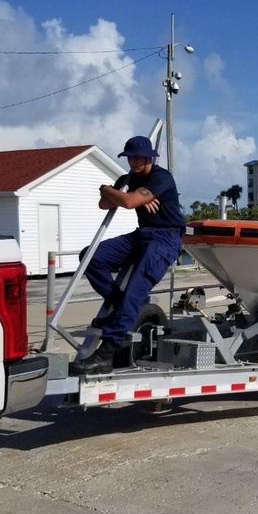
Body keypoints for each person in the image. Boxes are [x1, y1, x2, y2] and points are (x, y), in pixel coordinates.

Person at [69, 135, 185, 375]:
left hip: (165, 238)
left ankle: (106, 354)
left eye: (137, 158)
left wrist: (127, 198)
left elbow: (128, 201)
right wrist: (109, 190)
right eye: (129, 157)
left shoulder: (161, 177)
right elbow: (104, 203)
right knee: (90, 256)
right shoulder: (127, 179)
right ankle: (119, 304)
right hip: (141, 235)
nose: (133, 162)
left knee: (135, 288)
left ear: (149, 158)